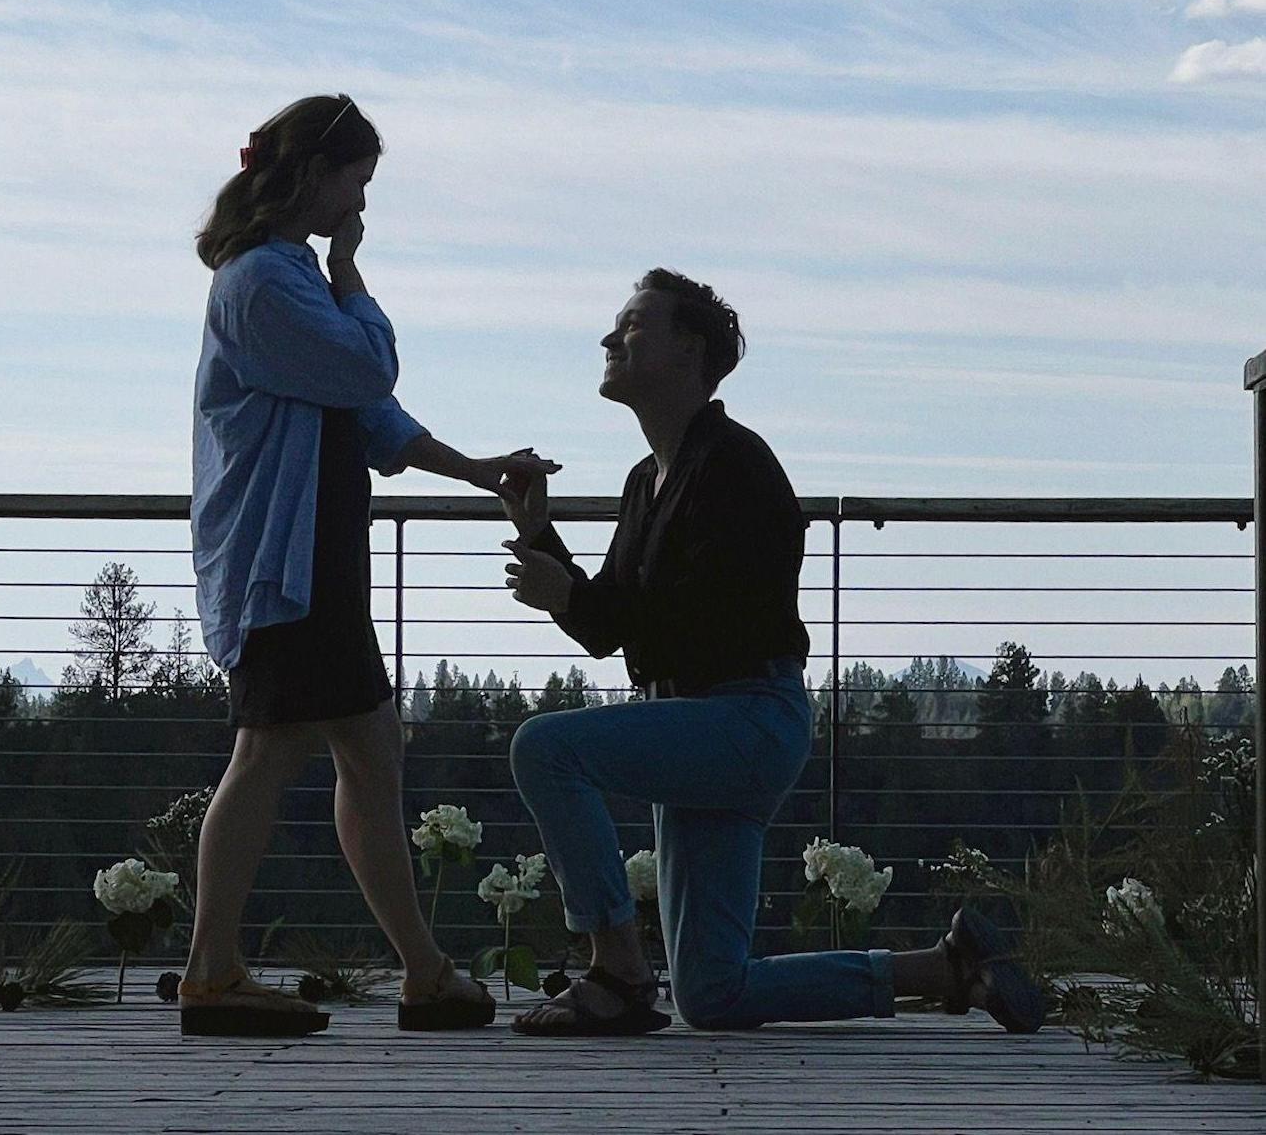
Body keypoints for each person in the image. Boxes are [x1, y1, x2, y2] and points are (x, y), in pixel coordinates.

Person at [497, 269, 1045, 1037]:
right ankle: (945, 968)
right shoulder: (646, 481)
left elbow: (694, 622)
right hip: (703, 728)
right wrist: (538, 533)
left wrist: (573, 593)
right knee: (713, 996)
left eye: (631, 325)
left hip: (745, 720)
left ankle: (617, 966)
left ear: (688, 350)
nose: (609, 338)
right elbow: (607, 623)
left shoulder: (736, 465)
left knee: (545, 750)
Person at [181, 93, 559, 1037]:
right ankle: (218, 971)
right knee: (279, 749)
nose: (362, 200)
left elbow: (364, 415)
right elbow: (365, 375)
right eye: (358, 178)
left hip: (312, 553)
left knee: (365, 747)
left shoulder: (285, 276)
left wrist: (474, 470)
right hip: (287, 557)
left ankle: (416, 971)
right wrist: (355, 278)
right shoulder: (266, 282)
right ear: (313, 174)